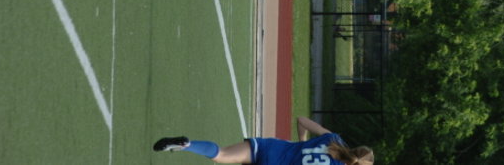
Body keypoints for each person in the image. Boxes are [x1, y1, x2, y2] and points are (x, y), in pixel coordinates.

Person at [153, 116, 374, 164]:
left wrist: (302, 142)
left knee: (221, 154)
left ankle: (188, 144)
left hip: (270, 149)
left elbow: (301, 120)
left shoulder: (333, 140)